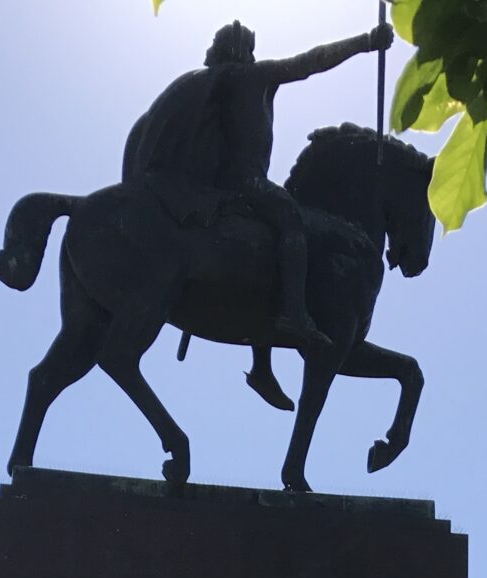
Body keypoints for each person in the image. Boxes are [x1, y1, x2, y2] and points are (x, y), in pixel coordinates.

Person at [121, 18, 394, 352]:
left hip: (216, 184)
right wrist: (365, 41)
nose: (252, 55)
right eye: (248, 49)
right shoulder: (251, 76)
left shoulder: (209, 83)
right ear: (241, 51)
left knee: (266, 242)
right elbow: (311, 61)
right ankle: (294, 314)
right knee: (291, 219)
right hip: (246, 183)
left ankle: (261, 359)